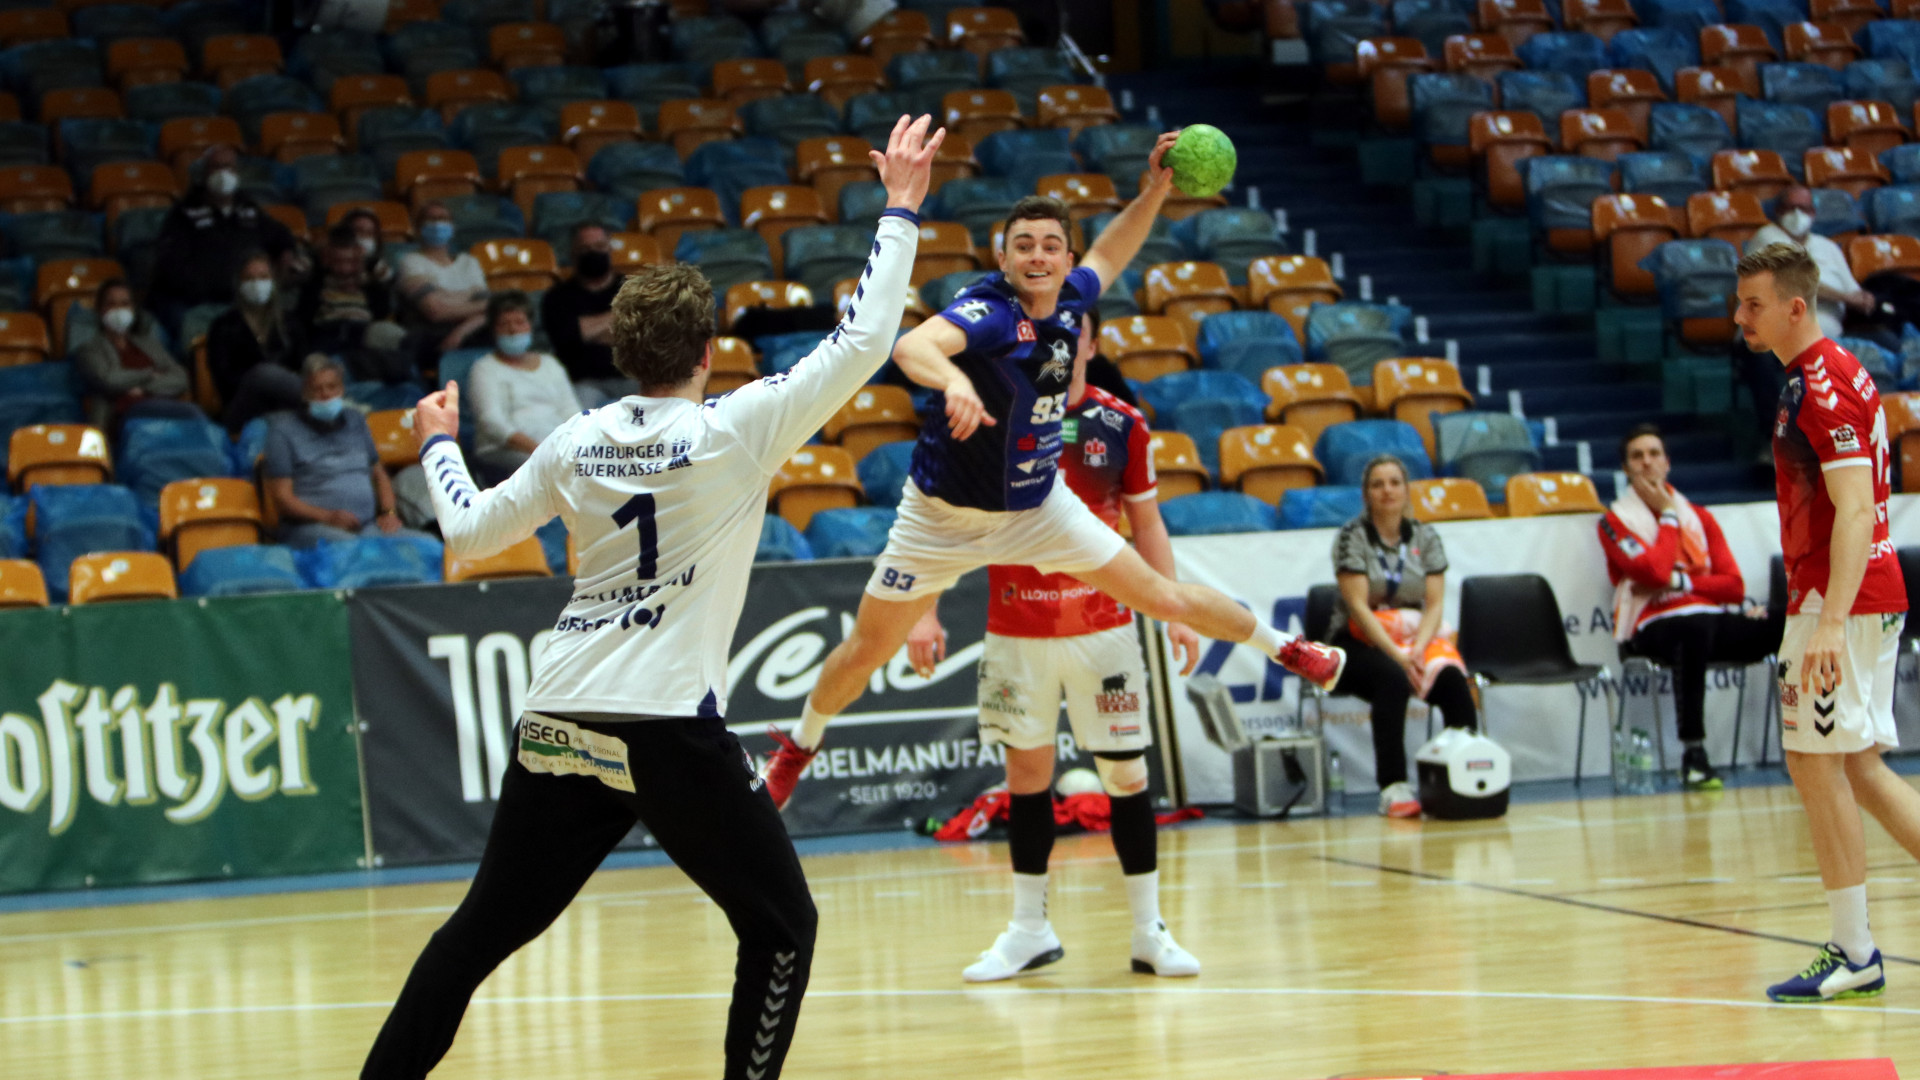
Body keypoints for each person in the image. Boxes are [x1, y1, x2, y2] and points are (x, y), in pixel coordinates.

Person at [358, 113, 941, 1080]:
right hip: (665, 722)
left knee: (478, 934)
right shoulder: (736, 429)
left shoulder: (575, 439)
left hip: (562, 710)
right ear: (709, 350)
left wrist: (435, 440)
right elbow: (867, 335)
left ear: (623, 351)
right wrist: (900, 208)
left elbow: (463, 533)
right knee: (781, 925)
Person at [759, 136, 1347, 811]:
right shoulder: (990, 313)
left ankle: (1291, 650)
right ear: (1002, 257)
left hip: (1041, 510)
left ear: (1065, 259)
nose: (1038, 255)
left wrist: (1154, 189)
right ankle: (797, 747)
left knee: (1165, 597)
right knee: (865, 651)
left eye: (1050, 245)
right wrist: (952, 381)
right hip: (940, 521)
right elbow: (915, 345)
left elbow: (1112, 253)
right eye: (1024, 245)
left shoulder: (1072, 298)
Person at [904, 311, 1202, 982]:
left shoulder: (1122, 422)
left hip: (1105, 631)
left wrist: (1176, 610)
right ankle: (1028, 931)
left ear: (1090, 345)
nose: (1065, 349)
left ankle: (1149, 932)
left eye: (1077, 337)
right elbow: (942, 522)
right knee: (1027, 783)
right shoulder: (997, 416)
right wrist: (923, 608)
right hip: (1017, 633)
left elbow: (1147, 524)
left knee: (1127, 779)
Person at [1732, 243, 1912, 1003]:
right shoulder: (1817, 374)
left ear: (1794, 306)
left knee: (1815, 762)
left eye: (1753, 304)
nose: (1740, 316)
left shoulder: (1822, 386)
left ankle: (1855, 949)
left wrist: (1831, 619)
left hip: (1843, 596)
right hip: (1855, 589)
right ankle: (1855, 947)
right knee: (1860, 767)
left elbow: (1860, 506)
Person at [1597, 423, 1782, 790]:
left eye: (1654, 454)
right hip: (1652, 626)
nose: (1647, 462)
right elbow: (1653, 570)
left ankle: (1813, 739)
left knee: (1788, 622)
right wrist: (1666, 515)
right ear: (1626, 469)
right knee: (1692, 629)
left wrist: (1683, 582)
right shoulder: (1613, 522)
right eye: (1637, 456)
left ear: (1667, 463)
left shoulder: (1700, 517)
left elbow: (1732, 586)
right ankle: (1694, 755)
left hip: (1709, 617)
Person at [1327, 454, 1478, 818]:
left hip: (1414, 639)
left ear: (1406, 489)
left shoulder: (1426, 536)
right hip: (1355, 641)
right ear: (1366, 494)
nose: (1387, 490)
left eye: (1394, 482)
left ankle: (1466, 774)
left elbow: (1436, 604)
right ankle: (1393, 788)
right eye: (1377, 484)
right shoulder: (1352, 536)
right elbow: (1359, 609)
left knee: (1452, 679)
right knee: (1392, 680)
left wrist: (1419, 651)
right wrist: (1398, 655)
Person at [265, 355, 421, 547]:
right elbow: (282, 498)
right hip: (311, 528)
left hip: (368, 527)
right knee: (356, 553)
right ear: (305, 393)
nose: (326, 394)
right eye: (317, 389)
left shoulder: (355, 420)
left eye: (332, 387)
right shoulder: (282, 431)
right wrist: (328, 516)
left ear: (342, 389)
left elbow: (379, 474)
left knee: (427, 546)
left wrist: (388, 513)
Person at [148, 144, 299, 334]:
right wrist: (215, 285)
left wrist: (287, 252)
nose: (223, 173)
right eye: (216, 167)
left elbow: (279, 234)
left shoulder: (247, 208)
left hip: (243, 298)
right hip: (199, 303)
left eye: (228, 167)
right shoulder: (184, 213)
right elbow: (171, 267)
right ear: (204, 173)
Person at [468, 291, 581, 479]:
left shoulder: (550, 363)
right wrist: (538, 450)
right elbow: (491, 421)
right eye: (504, 324)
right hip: (505, 449)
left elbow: (570, 410)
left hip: (555, 445)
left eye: (519, 322)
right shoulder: (484, 369)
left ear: (530, 326)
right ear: (493, 330)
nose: (513, 329)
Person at [206, 250, 307, 432]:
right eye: (250, 278)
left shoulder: (289, 322)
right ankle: (322, 401)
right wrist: (268, 381)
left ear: (273, 281)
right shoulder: (223, 327)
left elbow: (302, 364)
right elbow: (225, 381)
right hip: (244, 409)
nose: (257, 284)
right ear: (239, 284)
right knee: (263, 374)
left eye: (263, 277)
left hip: (288, 405)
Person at [73, 278, 192, 428]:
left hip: (164, 406)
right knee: (188, 413)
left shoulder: (150, 344)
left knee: (193, 415)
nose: (118, 310)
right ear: (100, 309)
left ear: (133, 309)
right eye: (111, 304)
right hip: (125, 414)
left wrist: (143, 389)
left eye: (124, 304)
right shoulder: (89, 349)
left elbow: (180, 377)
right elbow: (110, 380)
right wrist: (149, 373)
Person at [540, 221, 636, 407]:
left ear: (609, 249)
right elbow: (567, 338)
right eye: (585, 248)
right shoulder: (557, 297)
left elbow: (640, 335)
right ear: (573, 254)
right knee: (576, 420)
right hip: (583, 383)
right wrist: (616, 317)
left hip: (633, 377)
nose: (593, 252)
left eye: (599, 246)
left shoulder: (632, 288)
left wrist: (586, 330)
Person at [295, 226, 403, 368]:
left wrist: (368, 268)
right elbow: (295, 271)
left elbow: (389, 282)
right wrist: (319, 255)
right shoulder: (318, 277)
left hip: (363, 331)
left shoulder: (369, 278)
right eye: (338, 262)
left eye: (350, 262)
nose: (345, 269)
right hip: (327, 331)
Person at [396, 201, 491, 356]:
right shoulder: (411, 261)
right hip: (431, 335)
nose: (438, 224)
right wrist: (469, 296)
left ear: (453, 228)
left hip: (471, 332)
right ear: (418, 229)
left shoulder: (469, 262)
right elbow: (435, 311)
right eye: (431, 219)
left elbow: (489, 307)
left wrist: (460, 332)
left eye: (443, 218)